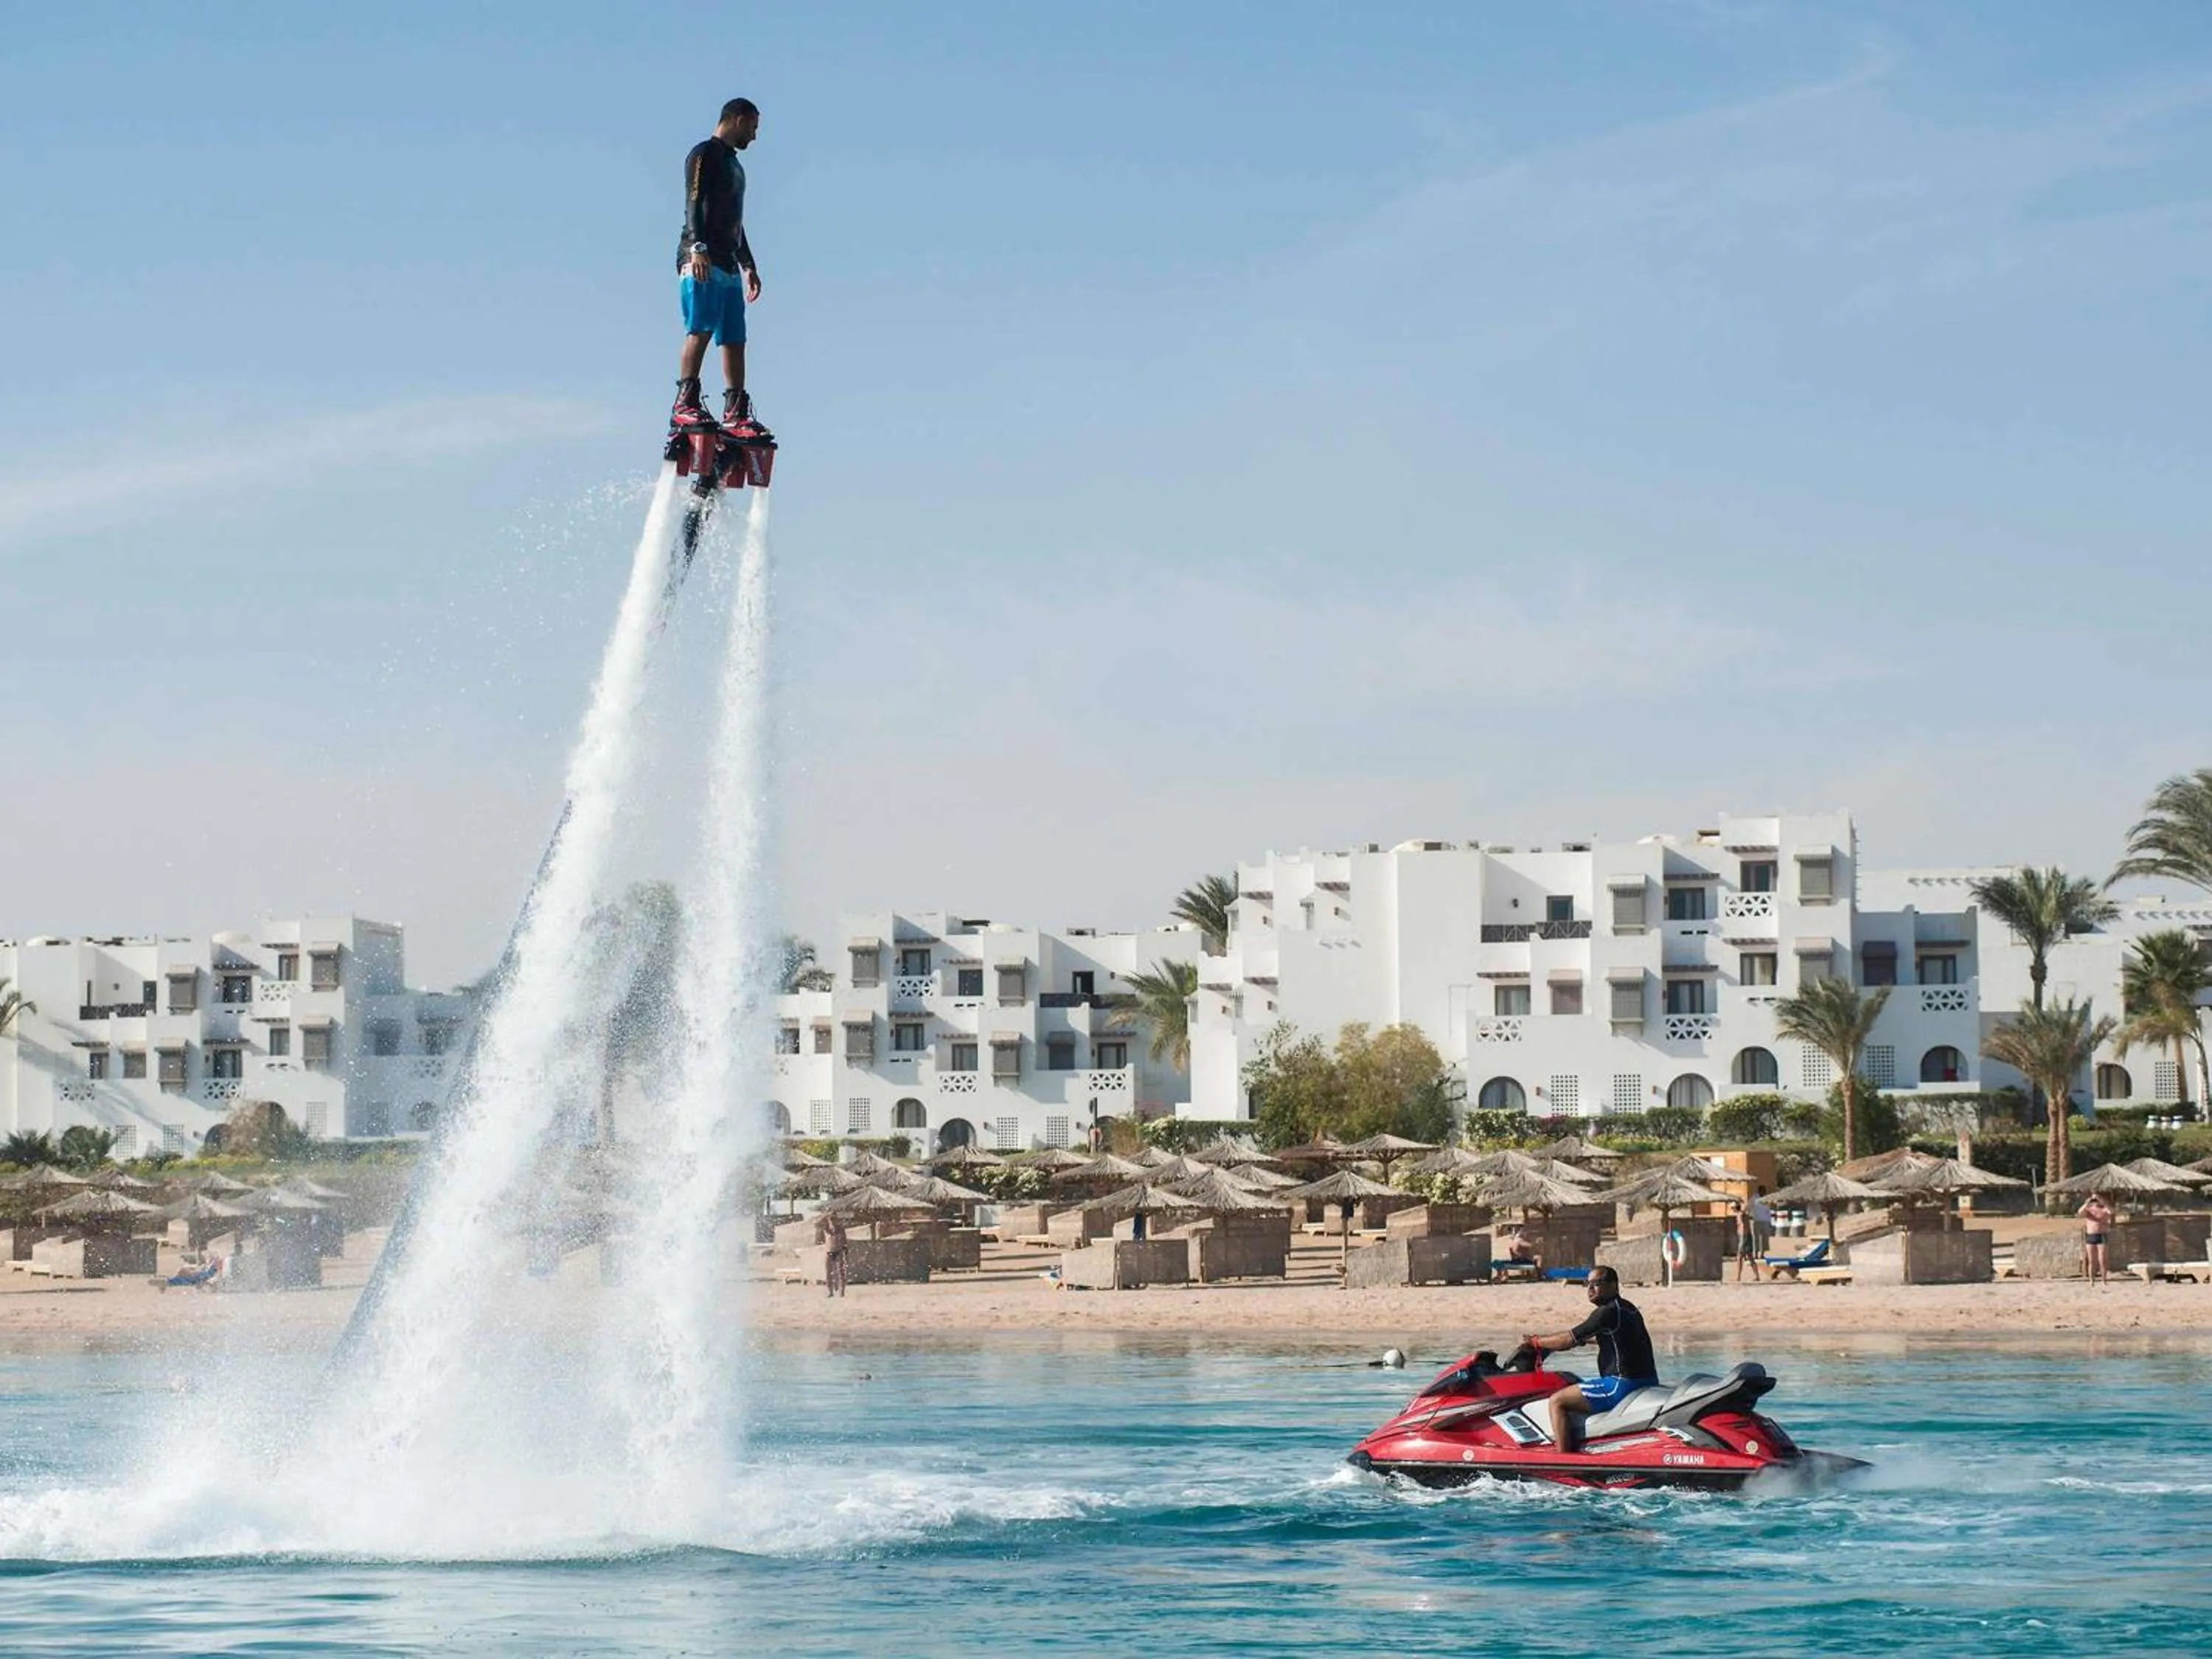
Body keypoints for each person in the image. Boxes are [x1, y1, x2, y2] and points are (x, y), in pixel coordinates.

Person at [674, 98, 769, 437]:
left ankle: (735, 412)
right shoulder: (704, 154)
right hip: (701, 257)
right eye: (754, 128)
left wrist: (749, 265)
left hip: (728, 263)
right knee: (700, 327)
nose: (755, 137)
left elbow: (735, 221)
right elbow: (694, 201)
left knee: (734, 337)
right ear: (739, 120)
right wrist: (698, 248)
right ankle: (685, 402)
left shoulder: (736, 166)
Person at [1521, 1265, 1660, 1453]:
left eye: (1596, 1283)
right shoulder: (1628, 1309)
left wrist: (1536, 1341)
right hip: (1647, 1382)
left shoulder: (1606, 1312)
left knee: (1557, 1401)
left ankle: (1564, 1461)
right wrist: (1585, 1342)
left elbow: (1568, 1339)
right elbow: (1619, 1339)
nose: (1590, 1289)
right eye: (1587, 1284)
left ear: (1613, 1286)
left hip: (1621, 1385)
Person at [2079, 1192, 2115, 1284]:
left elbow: (2111, 1211)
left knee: (2102, 1259)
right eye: (2094, 1200)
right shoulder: (2088, 1209)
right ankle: (2092, 1280)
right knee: (2091, 1260)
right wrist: (2087, 1203)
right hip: (2091, 1235)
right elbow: (2080, 1213)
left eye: (2096, 1200)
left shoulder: (2104, 1209)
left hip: (2101, 1234)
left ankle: (2104, 1280)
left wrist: (2102, 1201)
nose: (2095, 1202)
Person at [818, 1209, 849, 1298]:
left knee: (841, 1272)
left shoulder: (840, 1228)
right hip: (829, 1251)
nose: (832, 1220)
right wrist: (825, 1216)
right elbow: (816, 1224)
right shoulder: (826, 1228)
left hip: (839, 1250)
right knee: (828, 1273)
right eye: (831, 1218)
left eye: (834, 1218)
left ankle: (841, 1291)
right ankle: (830, 1292)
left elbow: (844, 1239)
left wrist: (845, 1249)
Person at [1731, 1200, 1762, 1284]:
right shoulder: (1742, 1214)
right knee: (1750, 1257)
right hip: (1747, 1236)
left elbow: (1743, 1227)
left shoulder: (1740, 1215)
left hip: (1744, 1237)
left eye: (1732, 1208)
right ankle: (1757, 1276)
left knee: (1740, 1257)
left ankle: (1738, 1277)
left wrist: (1742, 1240)